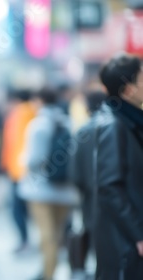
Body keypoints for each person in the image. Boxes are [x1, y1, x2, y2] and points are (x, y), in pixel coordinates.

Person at [18, 87, 79, 280]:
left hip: (41, 190)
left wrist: (23, 161)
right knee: (59, 236)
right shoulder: (69, 122)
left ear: (40, 101)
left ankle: (48, 274)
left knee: (47, 237)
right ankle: (50, 271)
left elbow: (34, 159)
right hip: (66, 191)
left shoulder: (38, 125)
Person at [93, 54, 143, 279]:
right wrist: (138, 234)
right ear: (129, 89)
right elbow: (109, 186)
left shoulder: (129, 120)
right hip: (126, 241)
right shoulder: (114, 125)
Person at [69, 89, 106, 276]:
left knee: (93, 235)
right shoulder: (120, 126)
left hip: (90, 195)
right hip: (117, 195)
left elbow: (76, 172)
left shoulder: (83, 131)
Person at [0, 89, 36, 254]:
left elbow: (14, 143)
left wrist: (6, 164)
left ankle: (25, 241)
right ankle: (29, 241)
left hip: (19, 171)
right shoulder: (34, 112)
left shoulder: (18, 114)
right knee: (26, 209)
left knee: (17, 209)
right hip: (27, 170)